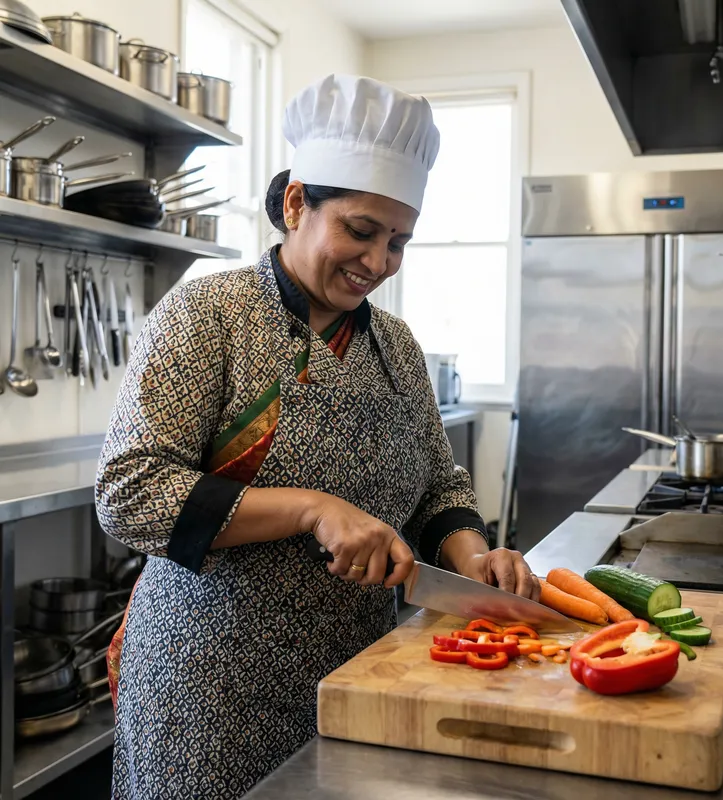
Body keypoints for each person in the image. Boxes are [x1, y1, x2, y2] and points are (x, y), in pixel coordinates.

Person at [97, 73, 540, 800]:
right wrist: (311, 508)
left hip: (364, 665)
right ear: (298, 202)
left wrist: (475, 559)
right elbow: (131, 494)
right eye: (361, 231)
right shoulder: (209, 312)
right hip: (212, 684)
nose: (378, 263)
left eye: (399, 242)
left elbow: (438, 484)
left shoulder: (395, 345)